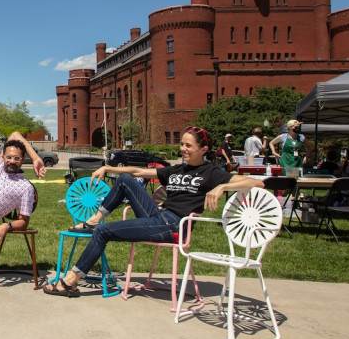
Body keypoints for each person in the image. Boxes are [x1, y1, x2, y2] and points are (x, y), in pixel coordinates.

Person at [44, 126, 265, 298]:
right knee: (125, 179)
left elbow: (257, 183)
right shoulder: (178, 169)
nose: (183, 149)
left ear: (203, 149)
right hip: (158, 217)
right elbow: (139, 171)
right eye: (182, 144)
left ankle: (71, 281)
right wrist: (107, 168)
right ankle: (95, 219)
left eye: (189, 146)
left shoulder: (211, 173)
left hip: (174, 226)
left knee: (104, 232)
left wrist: (222, 186)